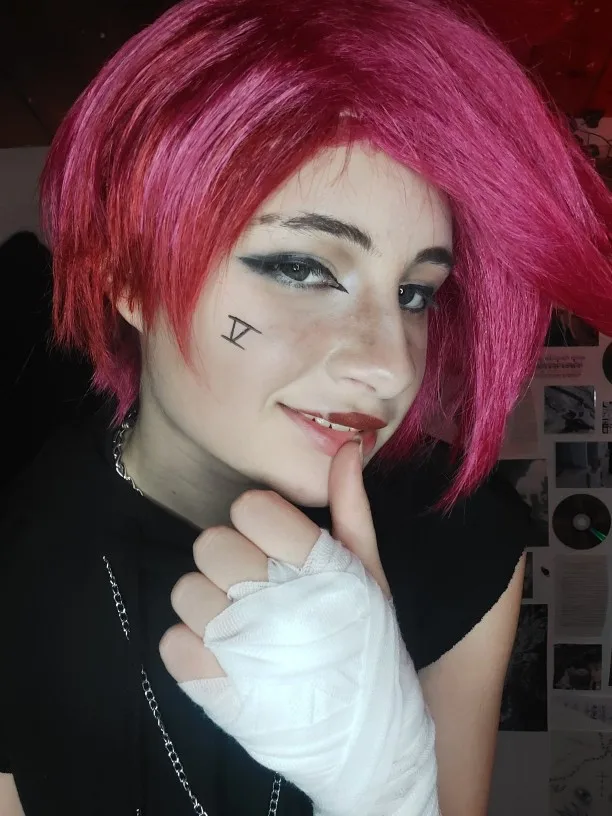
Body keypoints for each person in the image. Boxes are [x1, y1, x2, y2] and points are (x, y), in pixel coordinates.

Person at [1, 0, 611, 814]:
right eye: (300, 268)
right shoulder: (23, 552)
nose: (389, 365)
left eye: (416, 292)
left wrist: (388, 794)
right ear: (132, 279)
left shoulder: (460, 540)